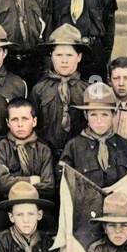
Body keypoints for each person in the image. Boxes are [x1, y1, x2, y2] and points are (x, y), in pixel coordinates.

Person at [59, 81, 127, 189]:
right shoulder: (73, 147)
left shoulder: (126, 147)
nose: (99, 121)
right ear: (85, 115)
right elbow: (64, 185)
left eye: (105, 114)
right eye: (93, 115)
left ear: (114, 114)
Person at [31, 24, 90, 155]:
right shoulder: (39, 90)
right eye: (59, 55)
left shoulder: (87, 91)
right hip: (46, 155)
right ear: (51, 56)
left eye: (69, 55)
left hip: (79, 155)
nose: (64, 61)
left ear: (79, 57)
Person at [0, 98, 57, 211]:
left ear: (34, 121)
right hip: (7, 205)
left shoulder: (43, 149)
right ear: (8, 123)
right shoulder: (1, 147)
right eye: (15, 119)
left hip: (37, 206)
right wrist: (31, 180)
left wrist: (14, 181)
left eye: (25, 119)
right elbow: (3, 184)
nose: (20, 124)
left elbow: (48, 187)